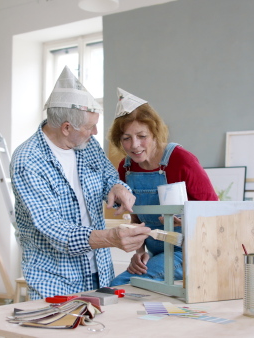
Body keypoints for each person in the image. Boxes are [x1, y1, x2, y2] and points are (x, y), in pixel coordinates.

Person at [10, 67, 151, 299]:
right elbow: (54, 230)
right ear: (66, 128)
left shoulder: (85, 145)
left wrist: (117, 187)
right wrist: (110, 238)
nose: (95, 132)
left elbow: (107, 175)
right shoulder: (27, 161)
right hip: (55, 279)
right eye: (89, 127)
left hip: (99, 271)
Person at [108, 88, 218, 286]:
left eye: (142, 136)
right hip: (156, 253)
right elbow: (135, 217)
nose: (134, 145)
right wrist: (139, 253)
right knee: (131, 283)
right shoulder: (126, 168)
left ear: (155, 133)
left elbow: (215, 214)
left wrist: (183, 221)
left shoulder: (182, 160)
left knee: (121, 284)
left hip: (190, 251)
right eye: (126, 138)